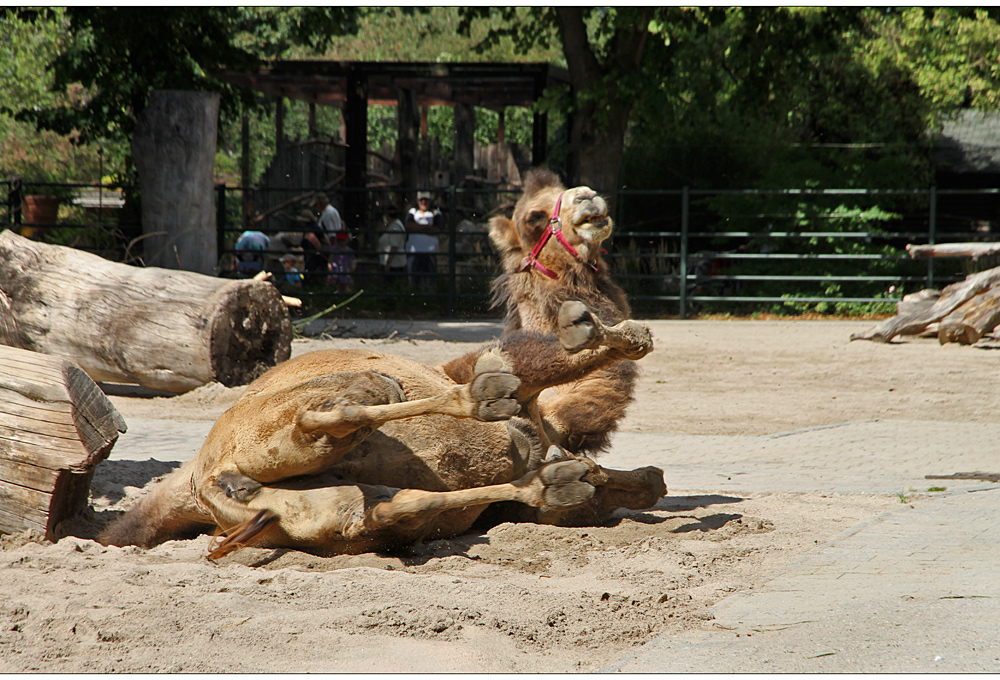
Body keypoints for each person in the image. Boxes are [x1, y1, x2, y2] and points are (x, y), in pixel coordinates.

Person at [405, 191, 443, 291]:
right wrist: (427, 227)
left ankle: (429, 301)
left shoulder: (436, 213)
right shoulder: (412, 212)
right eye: (421, 200)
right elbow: (408, 226)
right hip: (414, 252)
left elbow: (437, 229)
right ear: (418, 201)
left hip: (430, 252)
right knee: (413, 280)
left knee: (429, 281)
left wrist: (417, 227)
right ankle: (414, 299)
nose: (423, 202)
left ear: (429, 201)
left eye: (425, 200)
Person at [299, 208, 330, 286]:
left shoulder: (309, 229)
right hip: (320, 260)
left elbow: (315, 242)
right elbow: (327, 241)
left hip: (314, 260)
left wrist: (322, 255)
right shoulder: (317, 227)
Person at [378, 206, 407, 277]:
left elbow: (394, 246)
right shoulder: (392, 226)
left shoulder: (395, 227)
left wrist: (388, 262)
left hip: (394, 265)